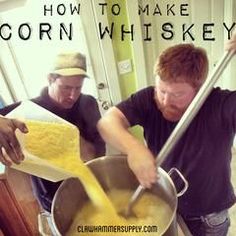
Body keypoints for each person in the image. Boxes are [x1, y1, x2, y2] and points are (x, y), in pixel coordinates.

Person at [97, 35, 236, 236]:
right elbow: (108, 122)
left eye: (178, 94)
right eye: (162, 90)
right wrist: (134, 149)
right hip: (166, 205)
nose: (165, 101)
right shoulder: (148, 98)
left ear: (200, 91)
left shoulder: (221, 104)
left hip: (210, 215)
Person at [0, 52, 105, 212]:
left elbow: (99, 147)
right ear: (50, 79)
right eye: (66, 87)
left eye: (78, 88)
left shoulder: (88, 103)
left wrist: (86, 149)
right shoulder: (28, 111)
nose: (73, 95)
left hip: (90, 190)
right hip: (54, 198)